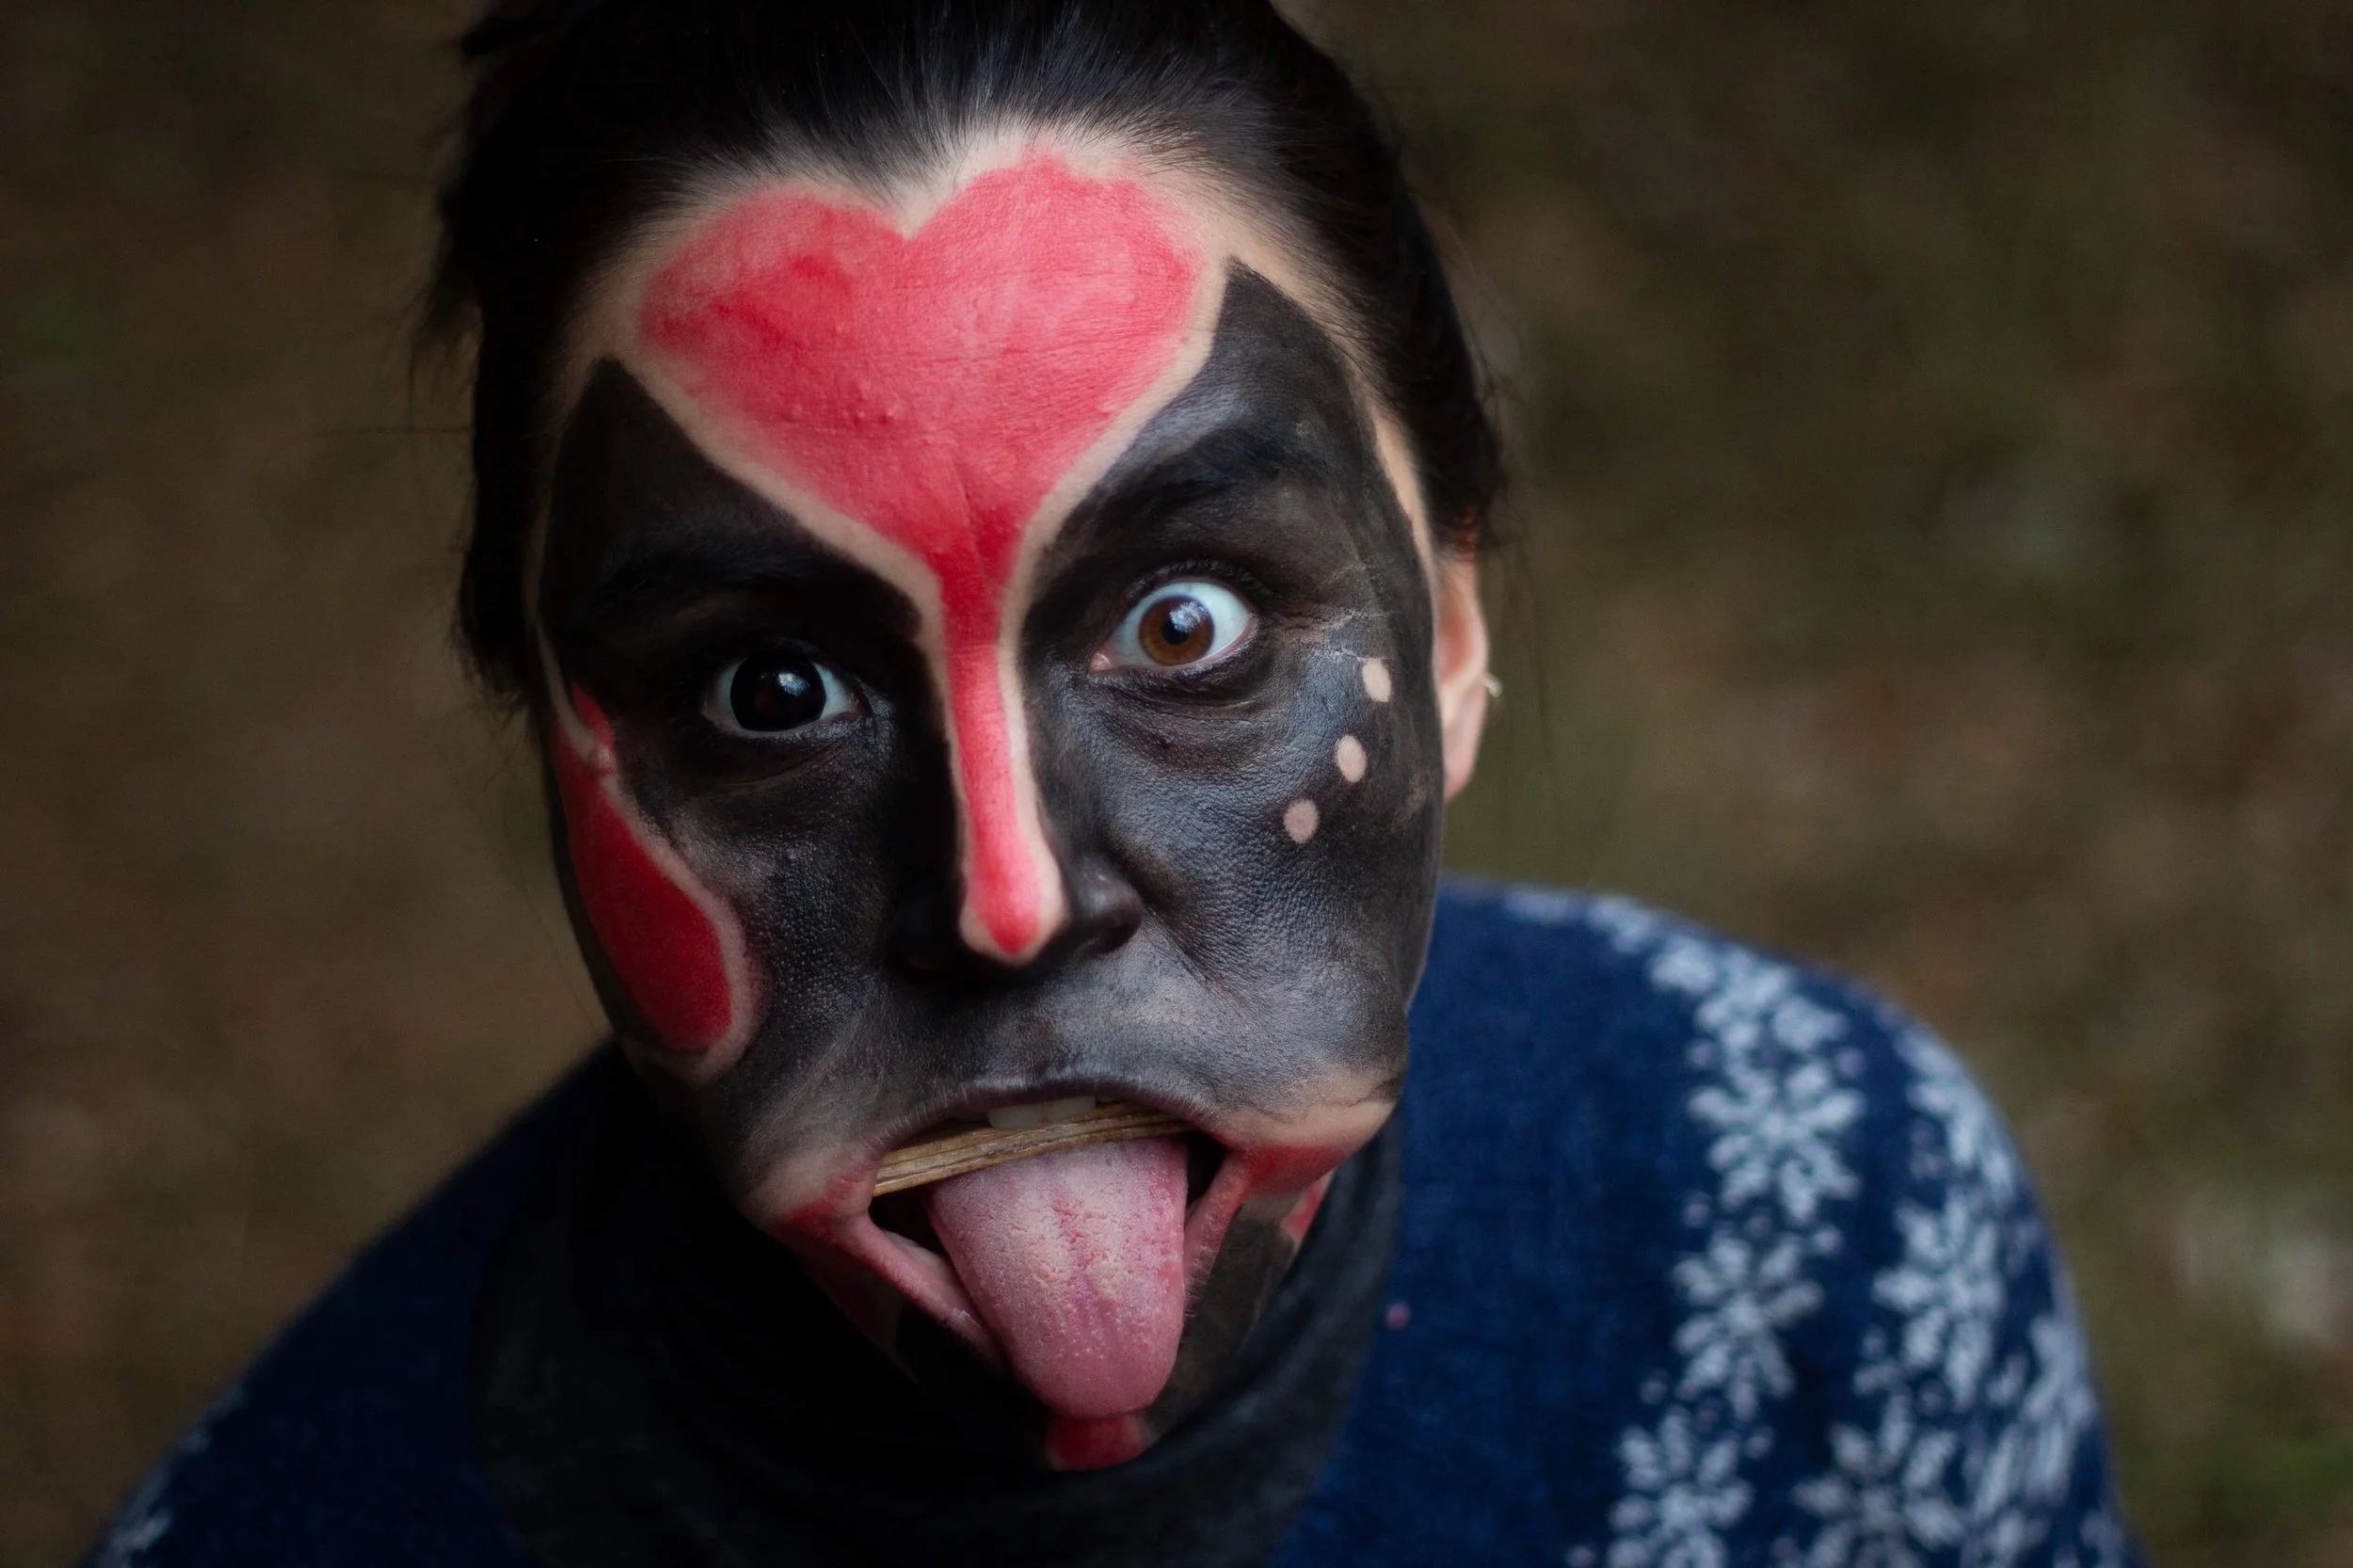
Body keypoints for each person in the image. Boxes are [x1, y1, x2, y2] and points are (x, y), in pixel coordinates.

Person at [85, 2, 2143, 1564]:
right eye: (774, 686)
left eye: (1185, 628)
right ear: (548, 734)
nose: (1004, 894)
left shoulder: (1822, 1219)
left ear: (1441, 633)